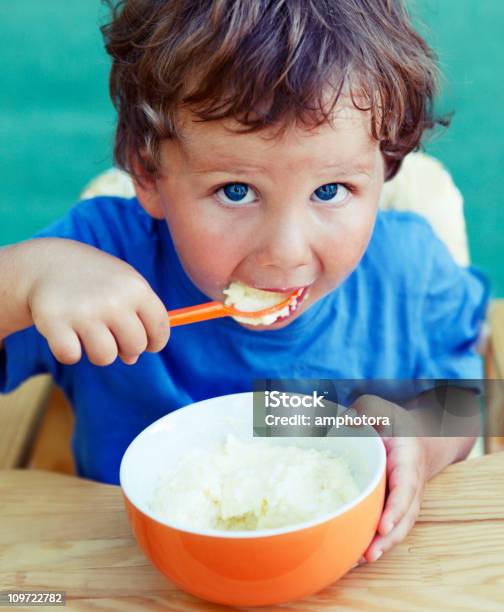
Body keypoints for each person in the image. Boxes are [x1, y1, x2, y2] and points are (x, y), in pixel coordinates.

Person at [0, 0, 488, 563]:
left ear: (387, 163)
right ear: (148, 170)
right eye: (236, 190)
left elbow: (465, 398)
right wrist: (26, 279)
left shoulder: (411, 270)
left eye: (330, 191)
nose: (285, 254)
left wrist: (419, 440)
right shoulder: (95, 261)